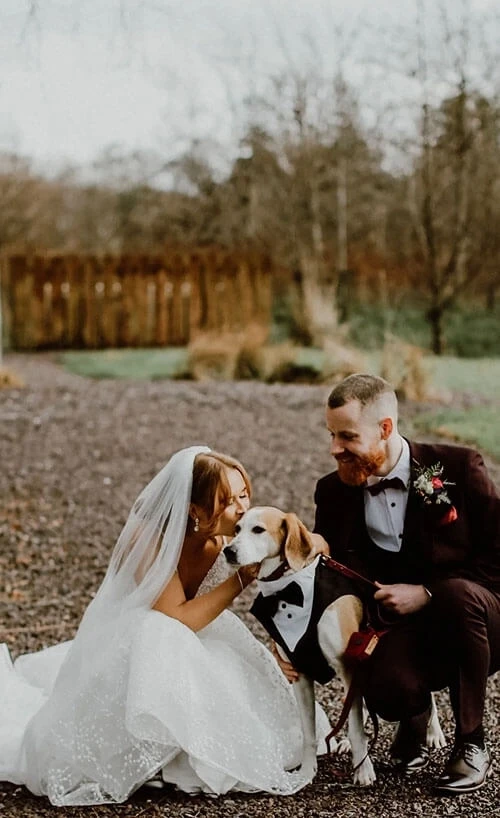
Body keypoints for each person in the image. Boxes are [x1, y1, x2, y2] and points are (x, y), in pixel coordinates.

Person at [0, 446, 323, 806]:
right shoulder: (151, 537)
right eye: (228, 500)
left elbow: (302, 552)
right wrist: (239, 581)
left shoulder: (236, 533)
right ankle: (158, 753)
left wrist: (282, 645)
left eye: (244, 494)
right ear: (194, 509)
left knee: (250, 689)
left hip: (195, 632)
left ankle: (194, 749)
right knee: (159, 632)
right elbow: (177, 618)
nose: (243, 507)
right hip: (143, 639)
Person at [312, 373, 500, 795]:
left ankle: (471, 744)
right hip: (400, 627)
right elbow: (330, 577)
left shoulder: (458, 469)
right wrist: (294, 645)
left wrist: (428, 594)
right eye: (330, 435)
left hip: (481, 619)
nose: (333, 449)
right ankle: (414, 719)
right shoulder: (333, 491)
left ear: (385, 429)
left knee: (456, 594)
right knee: (386, 691)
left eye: (346, 436)